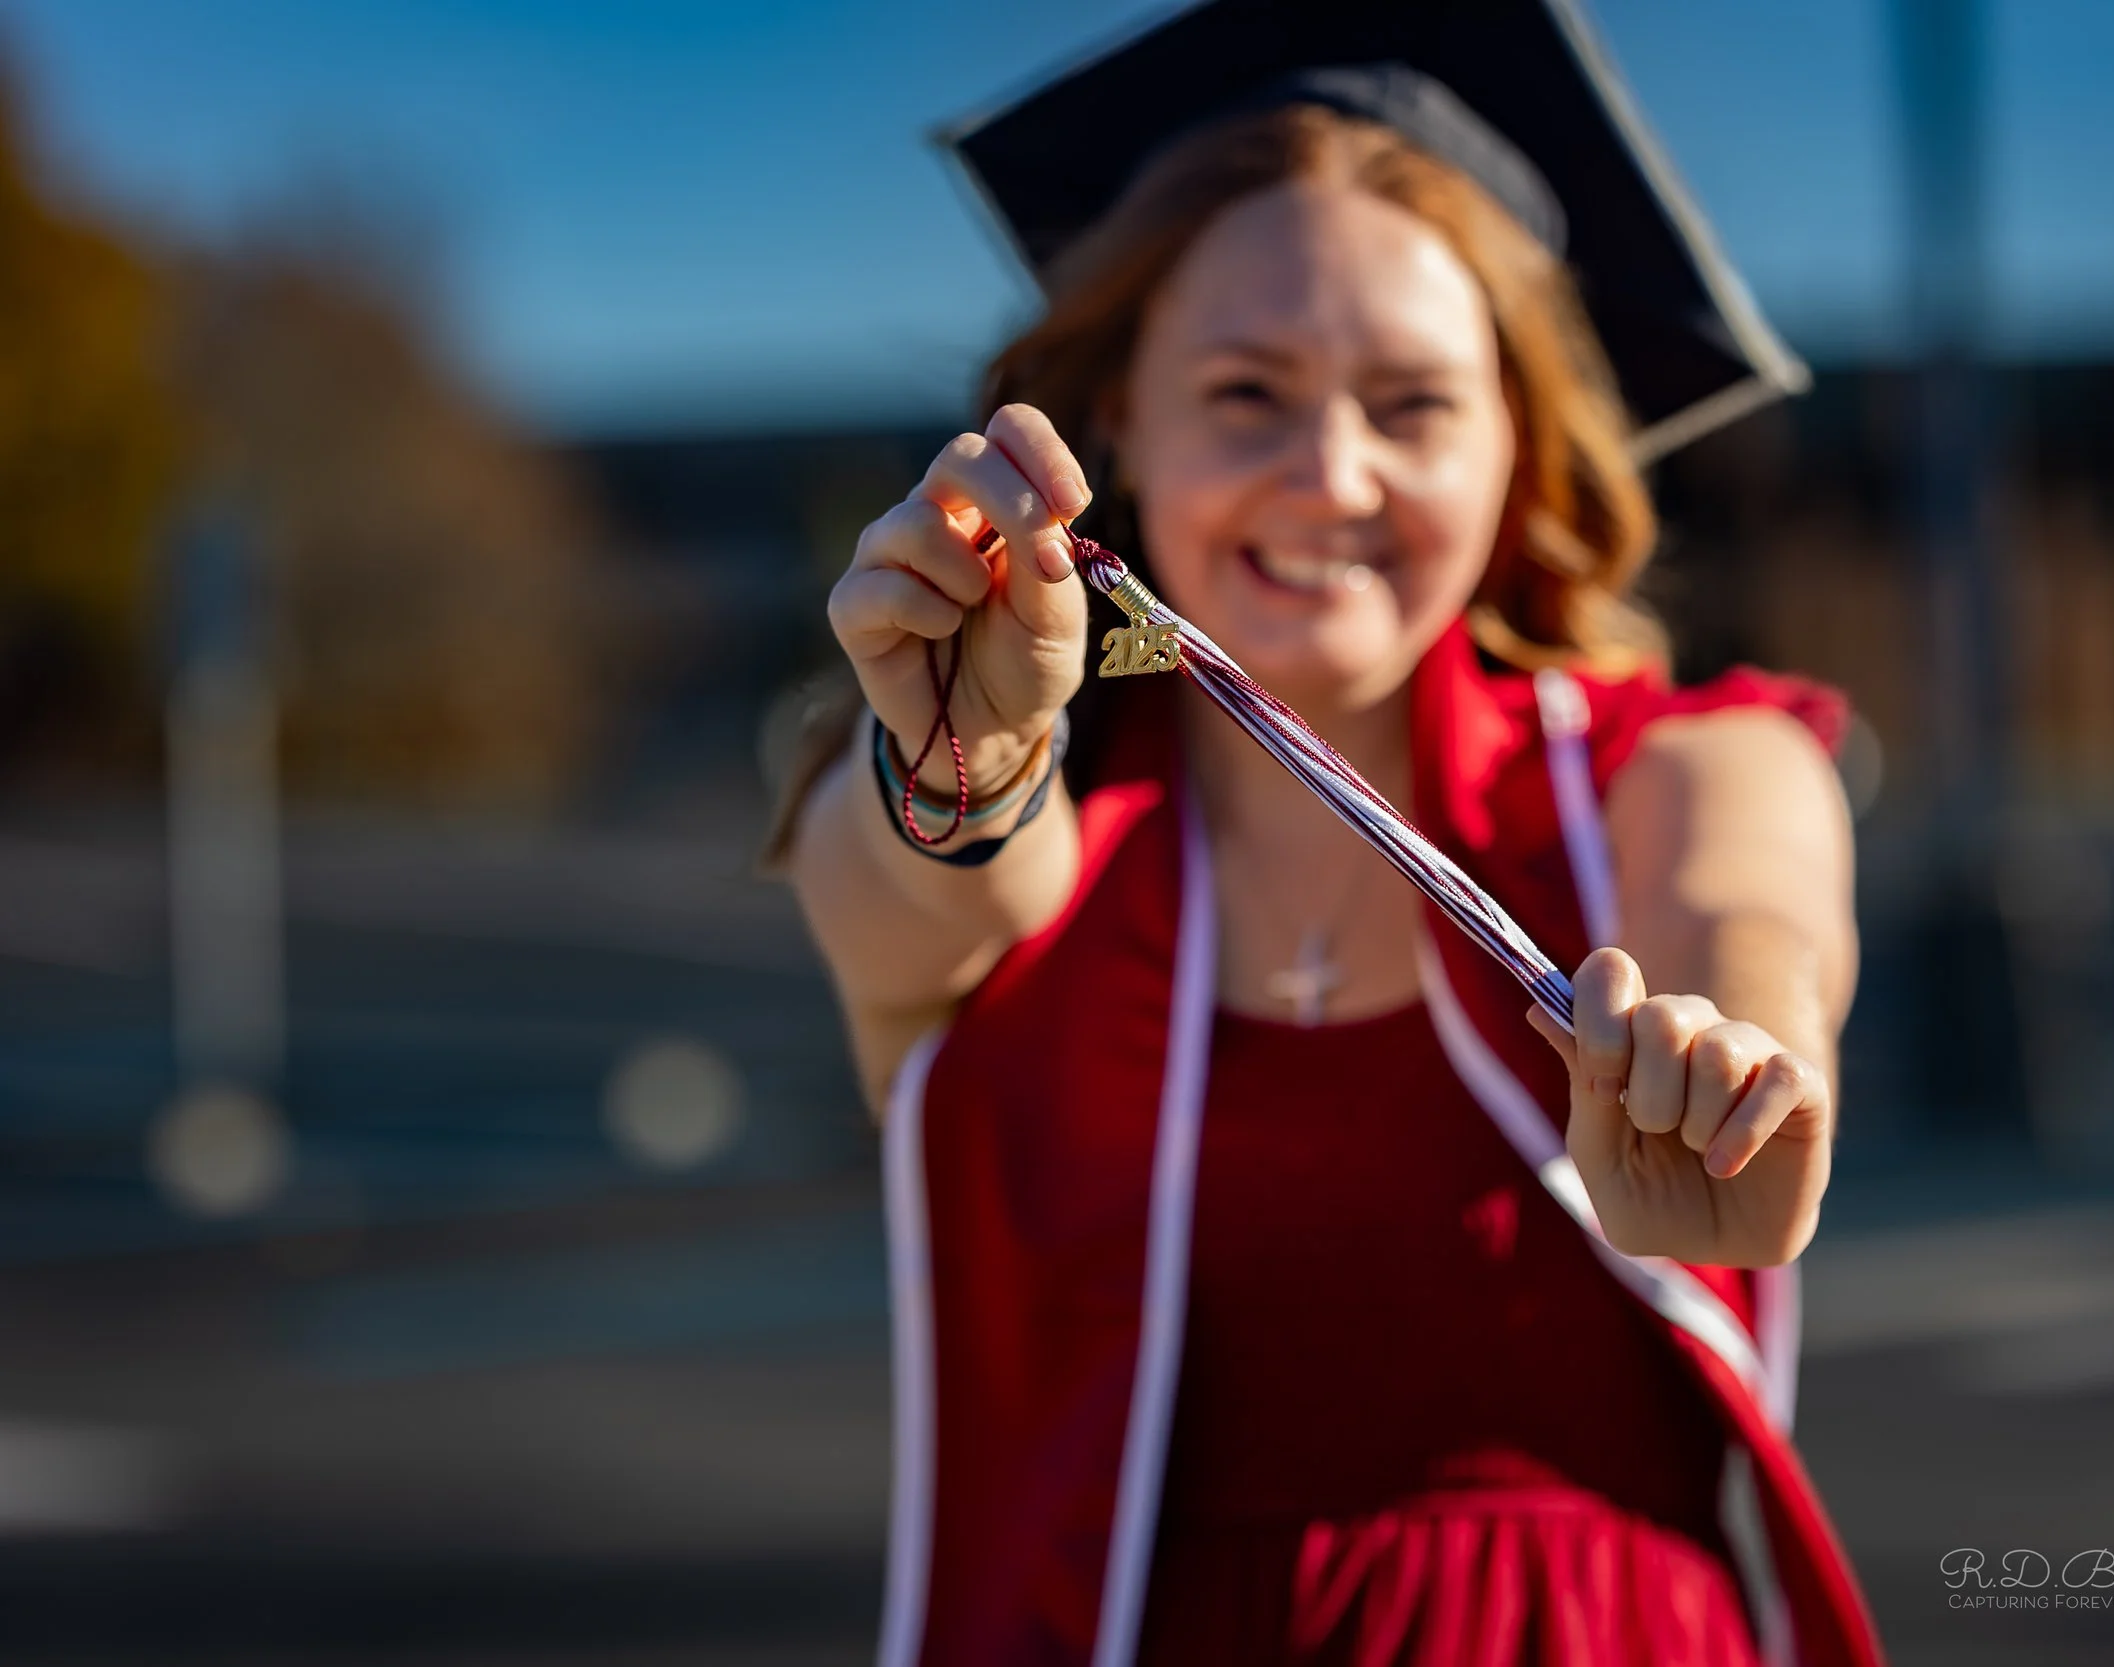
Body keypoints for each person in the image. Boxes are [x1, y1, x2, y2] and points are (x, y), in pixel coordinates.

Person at [766, 3, 1884, 1662]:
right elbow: (919, 905)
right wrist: (975, 749)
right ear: (1121, 424)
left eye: (1415, 403)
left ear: (1520, 445)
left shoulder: (1677, 773)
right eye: (1247, 391)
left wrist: (1730, 1079)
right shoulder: (1036, 837)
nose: (1331, 471)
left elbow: (1749, 930)